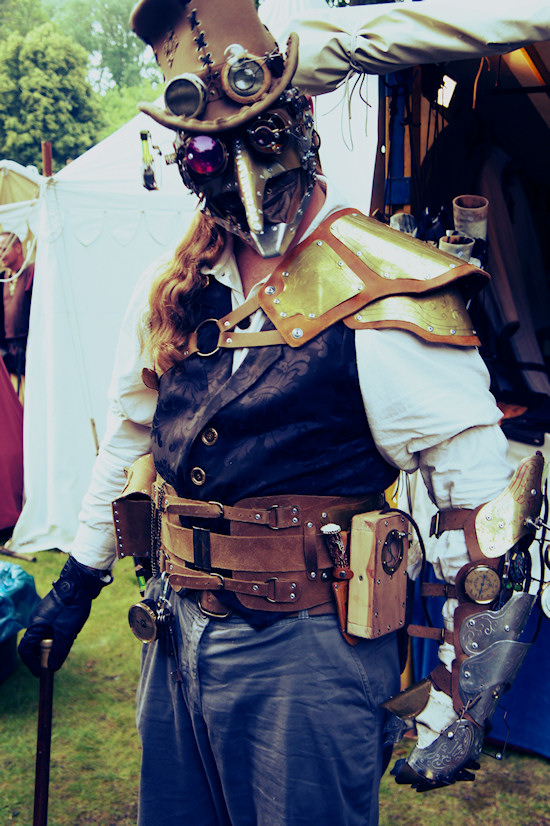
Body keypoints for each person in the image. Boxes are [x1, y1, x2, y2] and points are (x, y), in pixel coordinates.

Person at [18, 1, 550, 823]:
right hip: (175, 631)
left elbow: (481, 509)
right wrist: (78, 584)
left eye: (253, 133)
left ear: (297, 119)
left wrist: (454, 704)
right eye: (205, 147)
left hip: (308, 652)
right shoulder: (174, 287)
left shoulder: (385, 289)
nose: (232, 165)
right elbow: (130, 437)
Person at [0, 231, 34, 398]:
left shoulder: (33, 272)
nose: (1, 254)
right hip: (9, 354)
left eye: (4, 248)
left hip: (30, 348)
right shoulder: (2, 280)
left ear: (18, 248)